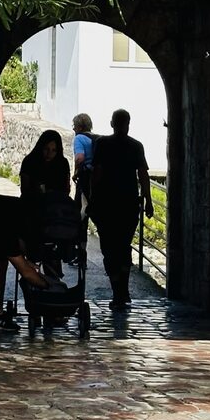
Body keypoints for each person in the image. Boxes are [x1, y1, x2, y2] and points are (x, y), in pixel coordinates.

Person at [90, 108, 153, 312]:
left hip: (106, 203)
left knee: (109, 248)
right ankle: (122, 291)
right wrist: (148, 200)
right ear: (128, 123)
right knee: (124, 246)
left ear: (111, 123)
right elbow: (143, 175)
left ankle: (118, 291)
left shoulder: (102, 144)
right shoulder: (136, 146)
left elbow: (97, 172)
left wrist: (91, 197)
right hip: (128, 204)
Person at [0, 192, 48, 330]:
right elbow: (26, 273)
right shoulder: (10, 231)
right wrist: (48, 285)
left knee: (1, 263)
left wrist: (26, 261)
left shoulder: (11, 215)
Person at [19, 129, 71, 269]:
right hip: (33, 208)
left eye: (53, 150)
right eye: (46, 149)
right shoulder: (30, 162)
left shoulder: (62, 163)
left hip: (54, 211)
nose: (49, 154)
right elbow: (24, 189)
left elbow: (66, 188)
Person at [71, 112, 96, 216]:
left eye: (74, 126)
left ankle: (80, 231)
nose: (73, 129)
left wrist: (76, 173)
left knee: (80, 209)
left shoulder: (79, 138)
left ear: (80, 127)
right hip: (96, 178)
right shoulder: (96, 138)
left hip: (85, 177)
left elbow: (80, 158)